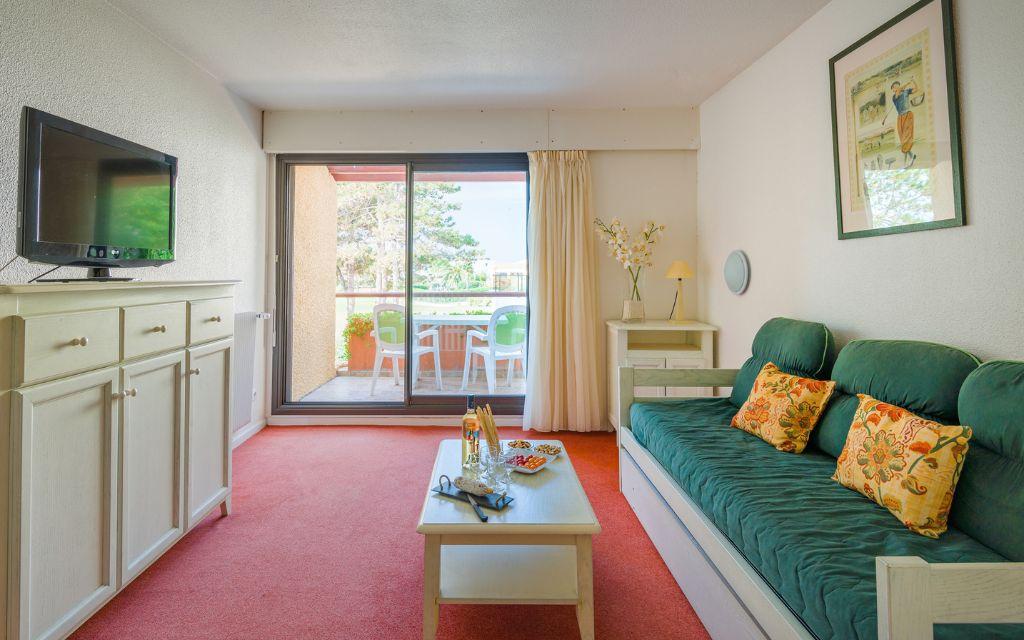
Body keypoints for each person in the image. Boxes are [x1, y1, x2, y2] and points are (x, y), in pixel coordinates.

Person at [887, 79, 919, 167]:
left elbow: (916, 89)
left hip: (908, 115)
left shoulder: (906, 92)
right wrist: (908, 82)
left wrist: (913, 81)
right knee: (903, 140)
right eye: (894, 87)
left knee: (907, 137)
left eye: (897, 86)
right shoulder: (894, 97)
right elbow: (898, 91)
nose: (896, 88)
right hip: (900, 118)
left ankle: (908, 159)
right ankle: (910, 157)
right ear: (893, 90)